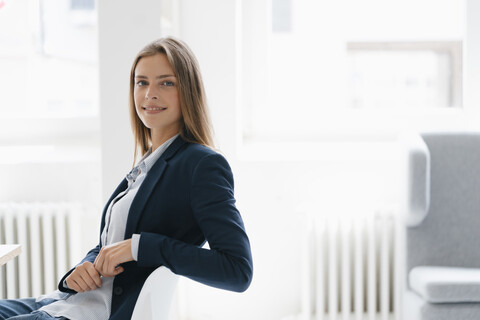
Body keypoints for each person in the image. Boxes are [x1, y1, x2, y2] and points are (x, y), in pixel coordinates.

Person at [0, 37, 253, 320]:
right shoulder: (148, 164)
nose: (150, 94)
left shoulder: (201, 165)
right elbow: (111, 244)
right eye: (142, 82)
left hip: (93, 314)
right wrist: (84, 268)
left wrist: (141, 246)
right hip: (65, 301)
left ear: (188, 90)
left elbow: (237, 270)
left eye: (166, 83)